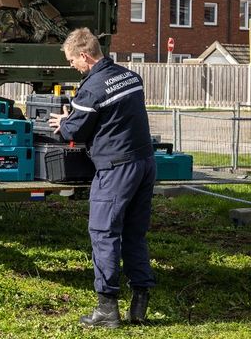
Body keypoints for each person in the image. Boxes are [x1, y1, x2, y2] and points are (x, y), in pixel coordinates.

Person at [48, 27, 156, 328]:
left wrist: (65, 121)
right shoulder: (131, 77)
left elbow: (74, 132)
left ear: (85, 56)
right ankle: (139, 302)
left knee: (104, 233)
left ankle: (107, 308)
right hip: (145, 162)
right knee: (134, 232)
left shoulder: (92, 87)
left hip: (116, 168)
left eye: (73, 62)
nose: (73, 67)